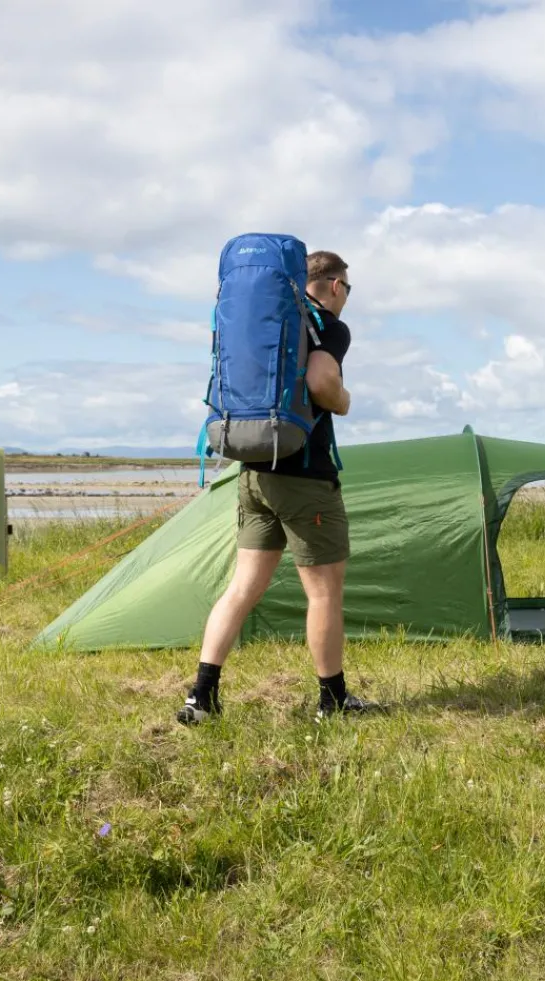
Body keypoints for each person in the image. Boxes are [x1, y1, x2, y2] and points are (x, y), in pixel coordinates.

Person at [177, 250, 377, 726]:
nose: (347, 297)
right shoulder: (326, 325)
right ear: (332, 285)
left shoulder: (273, 321)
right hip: (305, 477)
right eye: (348, 288)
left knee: (242, 588)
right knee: (324, 593)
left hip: (254, 472)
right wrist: (344, 402)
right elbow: (322, 380)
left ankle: (201, 697)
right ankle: (333, 702)